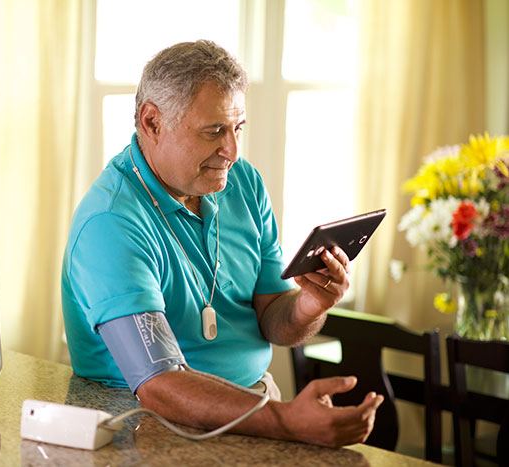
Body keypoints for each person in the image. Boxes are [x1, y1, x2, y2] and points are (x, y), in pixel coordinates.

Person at [61, 40, 383, 447]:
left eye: (237, 128)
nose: (231, 150)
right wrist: (286, 421)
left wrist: (309, 304)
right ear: (152, 122)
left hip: (256, 407)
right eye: (214, 131)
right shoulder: (110, 222)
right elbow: (158, 383)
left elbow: (274, 320)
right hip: (144, 428)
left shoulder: (243, 184)